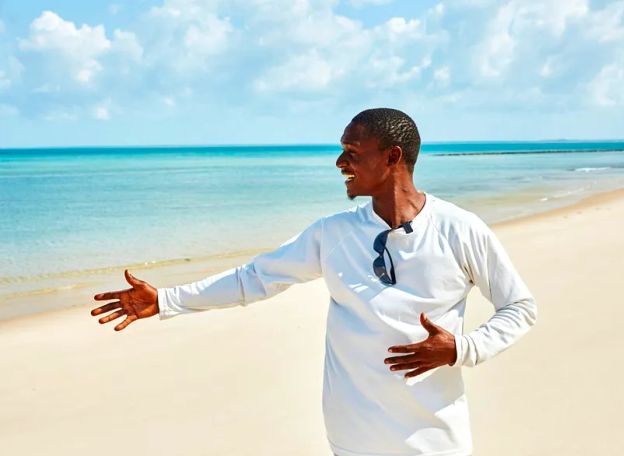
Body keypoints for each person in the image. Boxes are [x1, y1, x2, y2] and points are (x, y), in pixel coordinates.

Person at [91, 108, 537, 456]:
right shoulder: (332, 234)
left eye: (352, 151)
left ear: (392, 157)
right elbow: (255, 279)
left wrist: (463, 348)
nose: (340, 162)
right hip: (354, 440)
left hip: (437, 440)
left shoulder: (461, 229)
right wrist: (166, 299)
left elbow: (520, 307)